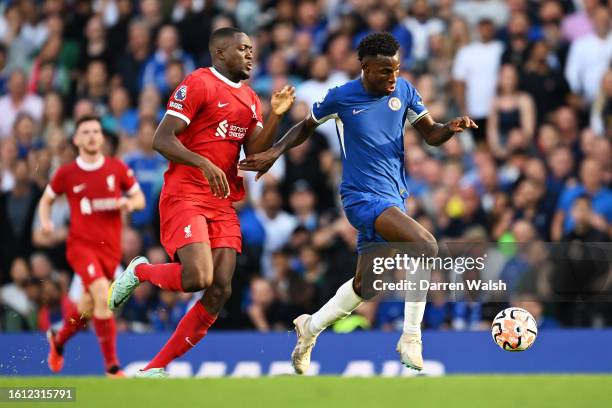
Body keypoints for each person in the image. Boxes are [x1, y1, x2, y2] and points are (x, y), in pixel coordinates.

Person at [239, 32, 477, 373]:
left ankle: (309, 328)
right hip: (360, 198)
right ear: (364, 67)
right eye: (384, 72)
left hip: (394, 198)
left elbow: (431, 134)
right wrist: (275, 152)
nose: (392, 77)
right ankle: (411, 336)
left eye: (396, 69)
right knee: (426, 246)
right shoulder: (341, 97)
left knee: (367, 286)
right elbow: (305, 127)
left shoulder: (405, 91)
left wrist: (450, 127)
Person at [107, 27, 296, 378]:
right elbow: (161, 139)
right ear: (220, 53)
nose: (250, 55)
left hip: (222, 201)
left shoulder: (251, 98)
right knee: (197, 277)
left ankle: (156, 367)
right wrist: (203, 162)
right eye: (242, 49)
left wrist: (277, 115)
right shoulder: (198, 84)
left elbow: (254, 154)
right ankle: (140, 271)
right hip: (186, 194)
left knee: (220, 289)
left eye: (252, 49)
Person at [38, 115, 145, 377]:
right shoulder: (67, 173)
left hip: (109, 250)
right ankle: (112, 366)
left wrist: (129, 204)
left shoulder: (116, 168)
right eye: (85, 132)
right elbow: (46, 200)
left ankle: (59, 340)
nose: (92, 136)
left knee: (87, 308)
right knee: (101, 295)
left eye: (96, 131)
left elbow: (139, 198)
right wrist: (46, 223)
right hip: (81, 247)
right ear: (76, 140)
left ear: (102, 137)